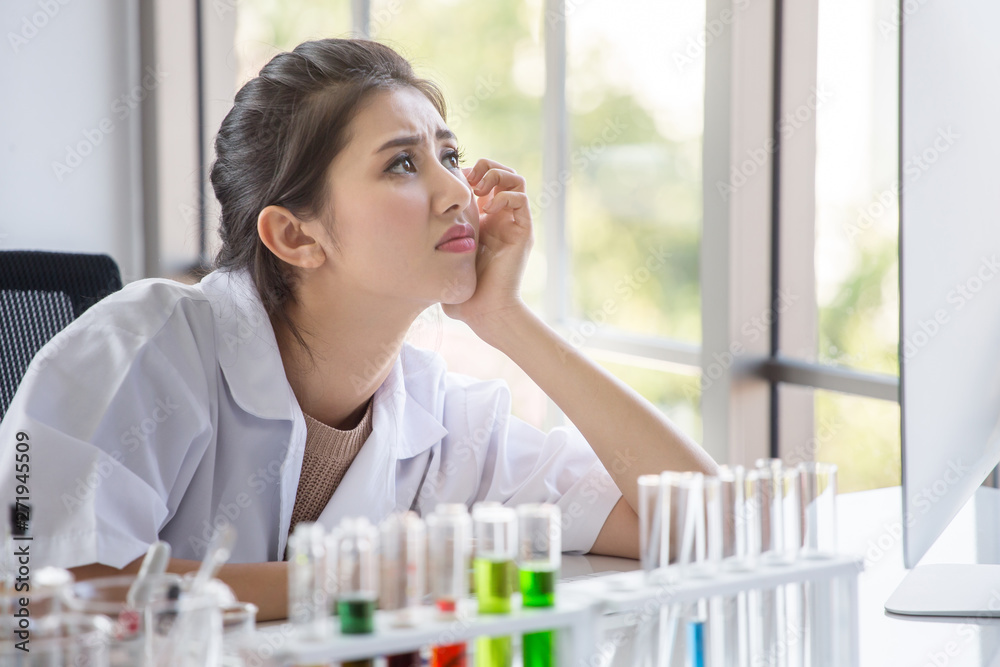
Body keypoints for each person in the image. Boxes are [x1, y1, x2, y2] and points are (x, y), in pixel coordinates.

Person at [0, 38, 715, 620]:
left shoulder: (441, 414)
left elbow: (700, 521)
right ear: (295, 236)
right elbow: (32, 588)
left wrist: (507, 321)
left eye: (450, 155)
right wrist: (352, 580)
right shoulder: (141, 346)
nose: (458, 192)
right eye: (403, 163)